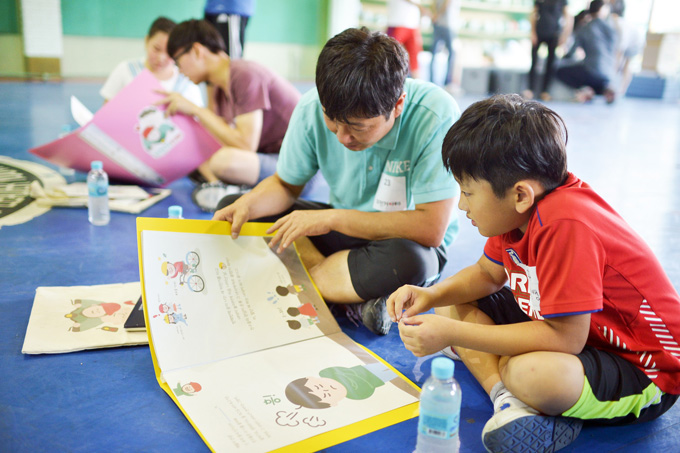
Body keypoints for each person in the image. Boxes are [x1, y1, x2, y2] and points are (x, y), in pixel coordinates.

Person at [387, 94, 680, 452]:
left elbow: (566, 339)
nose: (462, 206)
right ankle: (507, 402)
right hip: (575, 330)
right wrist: (431, 295)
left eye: (467, 192)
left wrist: (453, 334)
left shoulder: (566, 224)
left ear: (520, 195)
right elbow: (486, 273)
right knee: (452, 303)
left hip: (643, 370)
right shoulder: (519, 212)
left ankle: (519, 390)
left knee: (529, 373)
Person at [213, 27, 460, 336]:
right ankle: (348, 296)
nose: (343, 137)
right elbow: (286, 186)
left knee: (411, 263)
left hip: (404, 243)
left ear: (397, 106)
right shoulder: (311, 107)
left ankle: (304, 282)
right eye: (333, 121)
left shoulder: (434, 115)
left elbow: (430, 228)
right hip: (344, 234)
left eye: (358, 127)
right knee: (235, 209)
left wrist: (330, 219)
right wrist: (248, 204)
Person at [159, 19, 301, 188]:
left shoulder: (244, 74)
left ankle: (220, 189)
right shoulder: (219, 89)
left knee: (224, 162)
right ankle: (216, 189)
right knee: (203, 153)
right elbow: (218, 142)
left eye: (177, 61)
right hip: (271, 159)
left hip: (300, 165)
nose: (179, 71)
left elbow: (246, 145)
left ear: (197, 51)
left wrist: (196, 110)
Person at [100, 17, 203, 107]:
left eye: (169, 52)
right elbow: (106, 112)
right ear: (147, 41)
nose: (161, 58)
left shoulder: (186, 83)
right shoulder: (126, 70)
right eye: (156, 49)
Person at [556, 0, 617, 103]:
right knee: (594, 76)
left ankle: (586, 90)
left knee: (560, 71)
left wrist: (563, 57)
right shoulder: (610, 28)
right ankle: (604, 90)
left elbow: (571, 52)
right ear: (602, 10)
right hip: (609, 72)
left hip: (592, 71)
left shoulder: (585, 28)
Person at [523, 0, 573, 101]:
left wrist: (565, 35)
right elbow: (534, 14)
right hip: (539, 31)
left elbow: (568, 17)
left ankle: (545, 92)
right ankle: (530, 90)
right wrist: (532, 32)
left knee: (551, 64)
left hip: (554, 34)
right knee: (534, 62)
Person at [428, 0, 461, 91]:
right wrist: (438, 15)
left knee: (434, 54)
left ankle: (432, 81)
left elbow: (434, 4)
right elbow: (447, 2)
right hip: (448, 24)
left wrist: (435, 15)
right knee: (451, 54)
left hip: (438, 24)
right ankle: (447, 82)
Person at [386, 0, 424, 79]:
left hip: (411, 24)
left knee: (414, 61)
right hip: (398, 22)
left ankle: (416, 87)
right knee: (389, 56)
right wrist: (421, 8)